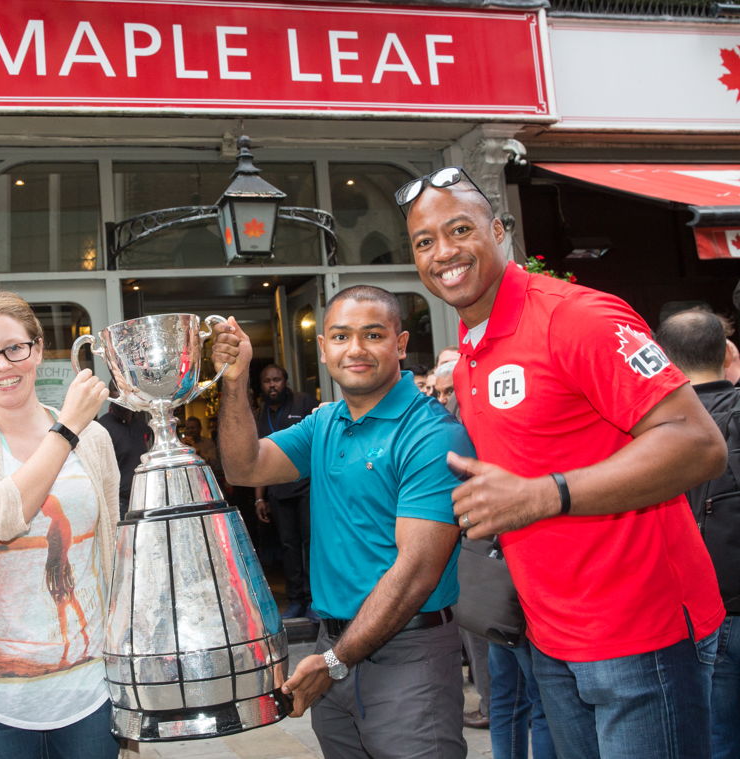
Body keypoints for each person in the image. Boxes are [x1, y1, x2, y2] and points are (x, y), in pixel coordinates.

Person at [402, 165, 726, 758]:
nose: (443, 252)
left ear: (498, 230)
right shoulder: (471, 350)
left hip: (640, 633)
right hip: (548, 638)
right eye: (424, 242)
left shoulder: (579, 317)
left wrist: (543, 494)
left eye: (458, 229)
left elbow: (698, 443)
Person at [212, 285, 474, 759]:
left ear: (399, 343)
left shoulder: (433, 433)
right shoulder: (325, 422)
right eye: (340, 336)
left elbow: (416, 571)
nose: (355, 349)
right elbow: (243, 467)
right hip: (333, 645)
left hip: (406, 652)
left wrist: (334, 662)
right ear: (324, 348)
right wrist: (235, 379)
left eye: (372, 334)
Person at [0, 292, 120, 759]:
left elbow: (113, 546)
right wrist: (68, 427)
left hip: (92, 689)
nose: (2, 365)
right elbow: (4, 516)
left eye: (14, 348)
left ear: (37, 349)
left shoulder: (94, 439)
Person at [655, 308, 740, 759]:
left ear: (663, 358)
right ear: (728, 353)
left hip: (702, 611)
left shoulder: (654, 432)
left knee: (717, 737)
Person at [252, 364, 316, 619]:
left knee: (311, 544)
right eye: (267, 381)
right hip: (278, 491)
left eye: (277, 379)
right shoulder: (260, 414)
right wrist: (259, 497)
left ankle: (314, 599)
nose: (272, 385)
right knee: (288, 547)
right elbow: (257, 457)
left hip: (307, 487)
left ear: (285, 380)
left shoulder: (303, 403)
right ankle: (296, 600)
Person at [97, 388, 151, 519]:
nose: (122, 397)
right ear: (110, 395)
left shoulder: (142, 425)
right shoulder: (102, 428)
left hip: (145, 497)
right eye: (117, 392)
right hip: (119, 503)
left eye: (125, 392)